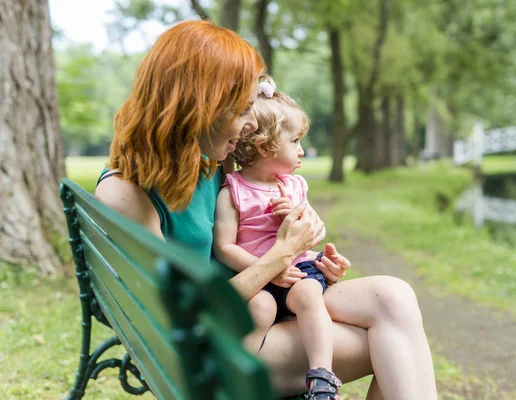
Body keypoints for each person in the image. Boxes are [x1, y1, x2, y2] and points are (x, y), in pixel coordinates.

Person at [95, 20, 438, 400]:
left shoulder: (203, 166)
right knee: (395, 341)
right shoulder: (125, 192)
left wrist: (306, 253)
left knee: (393, 296)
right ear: (201, 104)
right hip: (210, 353)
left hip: (249, 312)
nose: (249, 125)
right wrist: (281, 254)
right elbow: (177, 322)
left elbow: (247, 229)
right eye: (242, 110)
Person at [213, 76, 342, 399]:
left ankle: (322, 378)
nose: (301, 150)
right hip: (256, 277)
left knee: (311, 294)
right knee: (259, 308)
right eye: (295, 141)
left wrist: (296, 217)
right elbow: (224, 246)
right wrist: (268, 267)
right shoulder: (234, 191)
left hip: (298, 274)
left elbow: (313, 230)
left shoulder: (295, 186)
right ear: (265, 145)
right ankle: (239, 376)